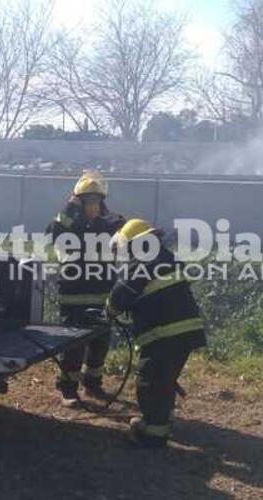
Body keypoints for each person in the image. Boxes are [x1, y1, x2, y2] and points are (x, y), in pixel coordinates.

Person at [106, 219, 206, 448]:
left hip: (163, 335)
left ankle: (153, 433)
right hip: (187, 332)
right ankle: (164, 415)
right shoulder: (166, 257)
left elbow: (121, 294)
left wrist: (109, 310)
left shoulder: (141, 262)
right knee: (164, 378)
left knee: (149, 380)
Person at [47, 171, 125, 407]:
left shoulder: (110, 223)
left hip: (103, 295)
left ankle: (93, 383)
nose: (92, 205)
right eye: (87, 200)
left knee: (100, 343)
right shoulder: (69, 224)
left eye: (96, 200)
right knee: (73, 345)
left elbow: (123, 231)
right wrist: (71, 208)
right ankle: (68, 388)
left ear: (102, 201)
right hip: (74, 296)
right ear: (78, 201)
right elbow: (54, 231)